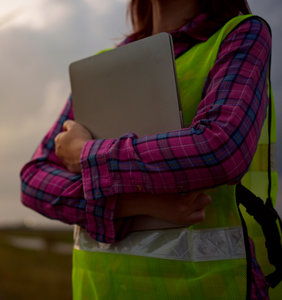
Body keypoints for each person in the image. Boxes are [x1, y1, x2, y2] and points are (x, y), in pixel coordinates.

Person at [20, 0, 280, 298]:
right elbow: (33, 181)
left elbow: (220, 149)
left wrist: (86, 154)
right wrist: (132, 205)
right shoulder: (102, 65)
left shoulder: (240, 35)